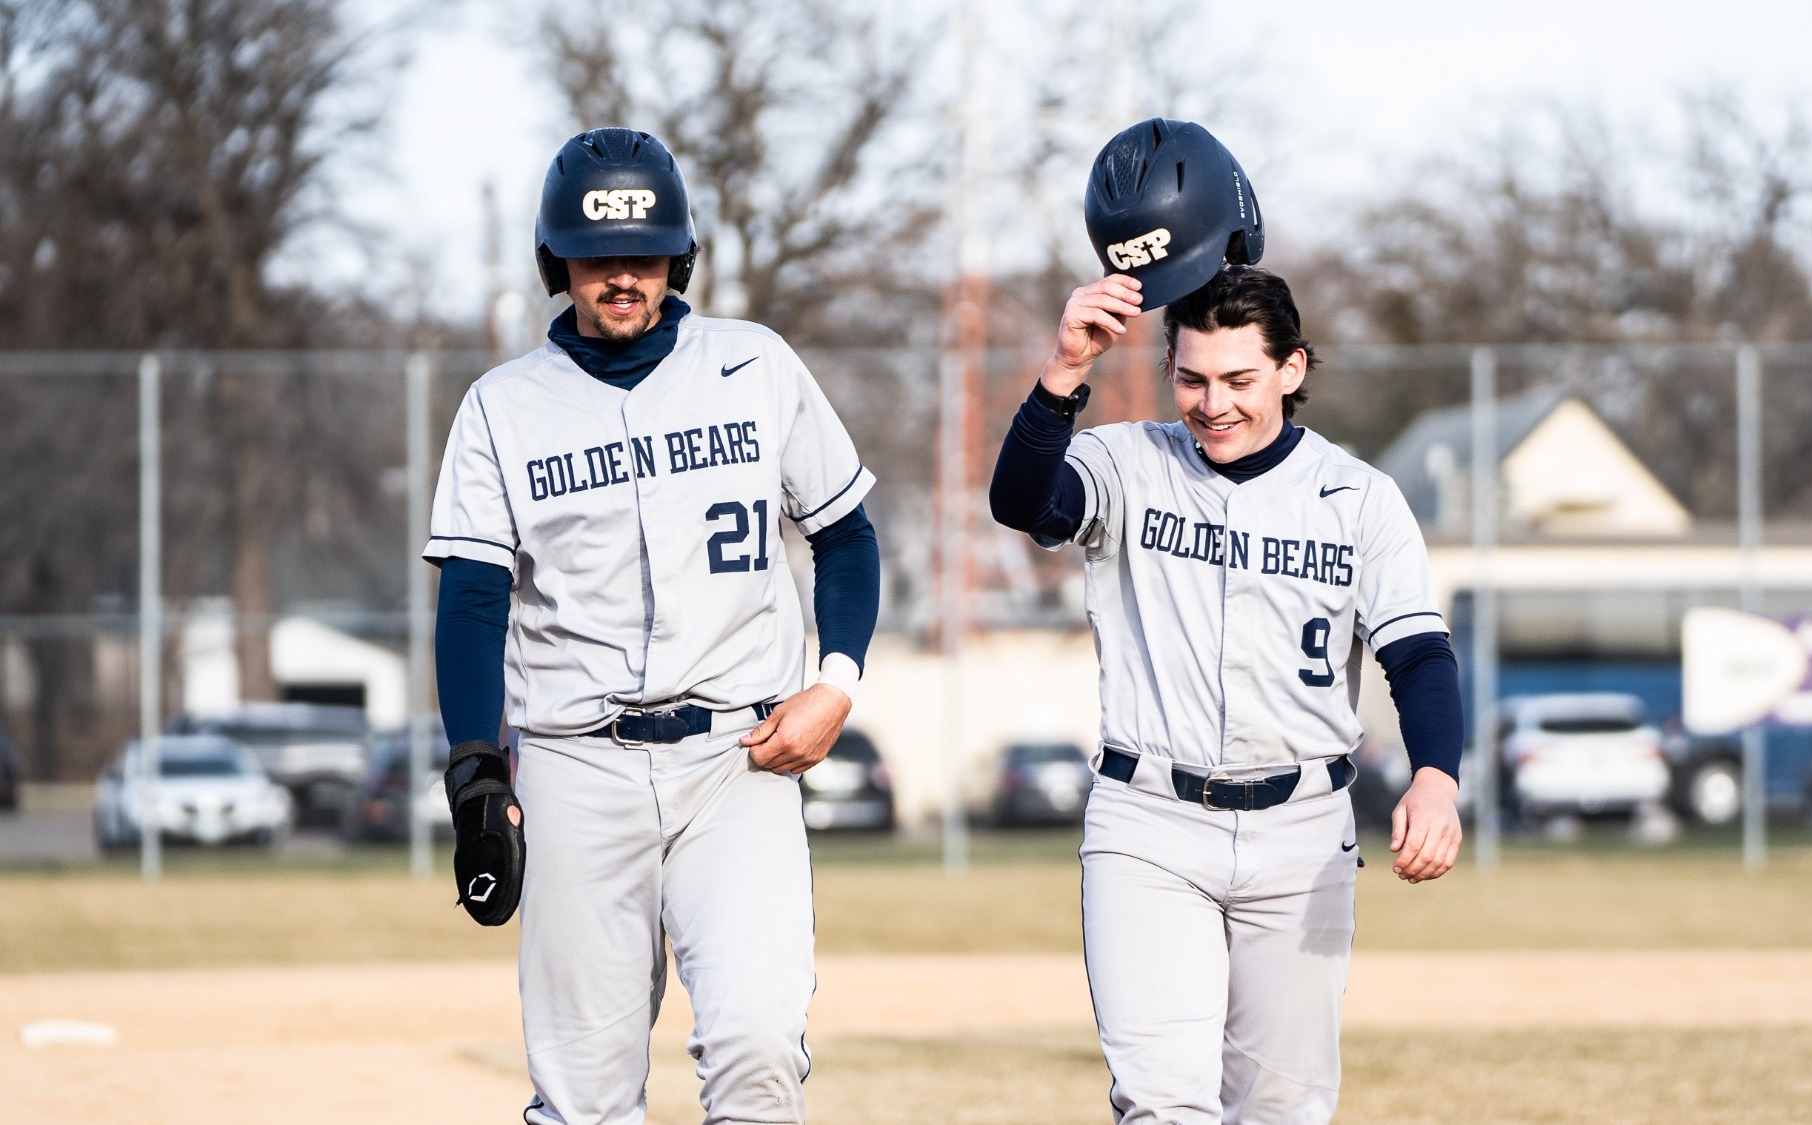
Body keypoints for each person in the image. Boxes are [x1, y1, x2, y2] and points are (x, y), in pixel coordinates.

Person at [989, 120, 1465, 1124]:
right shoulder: (1127, 463)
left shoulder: (1357, 496)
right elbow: (1022, 503)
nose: (1211, 403)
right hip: (1148, 824)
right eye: (1191, 377)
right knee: (1161, 1107)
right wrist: (1063, 369)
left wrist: (1434, 775)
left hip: (1301, 829)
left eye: (1239, 380)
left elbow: (1416, 655)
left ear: (1292, 369)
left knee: (1283, 1111)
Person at [426, 127, 880, 1125]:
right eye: (596, 258)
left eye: (643, 254)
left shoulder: (754, 366)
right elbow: (470, 598)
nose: (621, 277)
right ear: (560, 265)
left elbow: (845, 538)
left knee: (759, 1045)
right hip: (574, 762)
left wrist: (836, 683)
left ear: (678, 257)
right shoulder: (501, 406)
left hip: (739, 755)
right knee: (582, 1092)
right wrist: (474, 769)